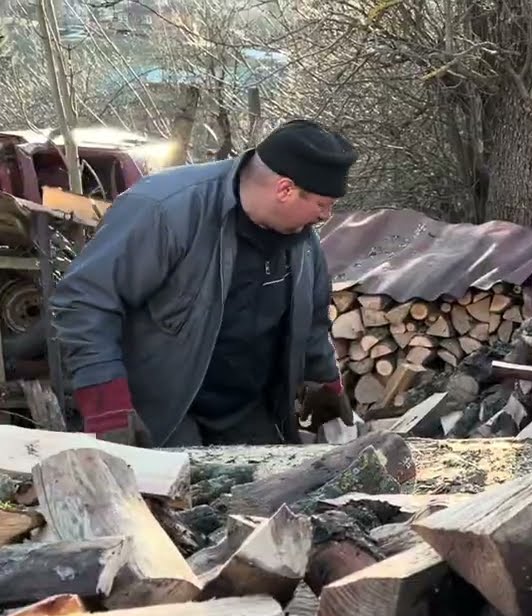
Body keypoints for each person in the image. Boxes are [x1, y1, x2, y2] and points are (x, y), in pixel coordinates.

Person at [50, 119, 357, 447]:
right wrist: (106, 404)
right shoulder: (164, 210)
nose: (325, 216)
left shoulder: (300, 239)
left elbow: (310, 324)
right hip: (164, 413)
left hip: (249, 413)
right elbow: (85, 301)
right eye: (323, 205)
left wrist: (327, 385)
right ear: (284, 189)